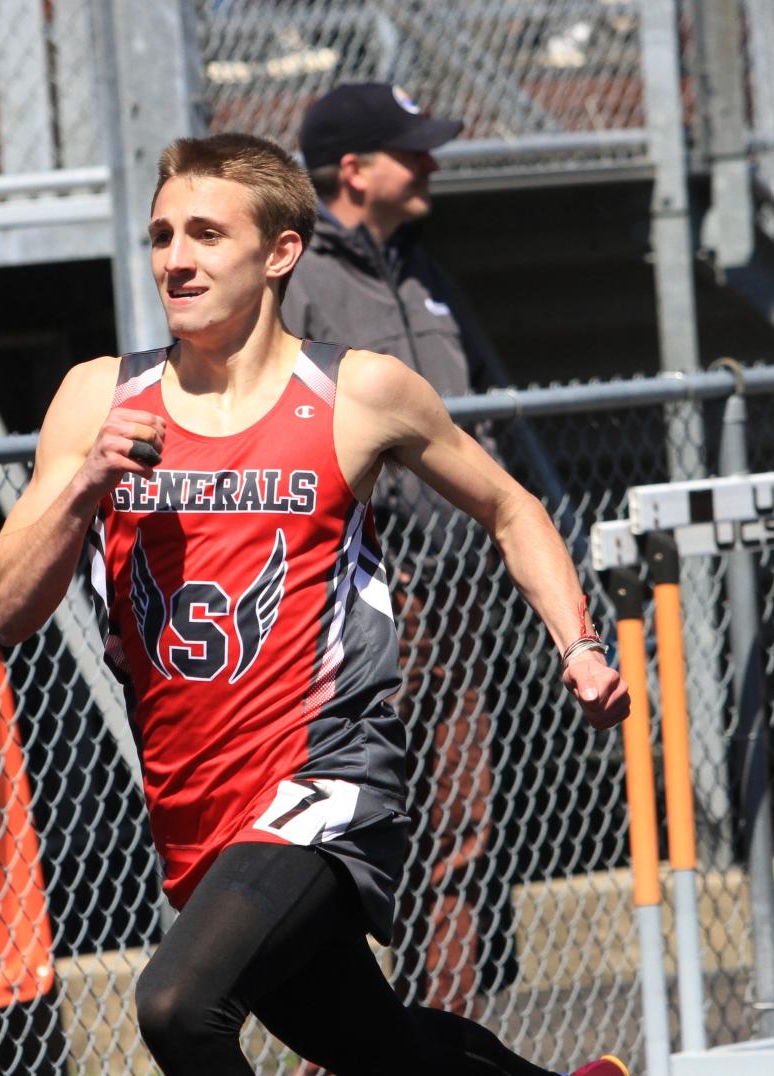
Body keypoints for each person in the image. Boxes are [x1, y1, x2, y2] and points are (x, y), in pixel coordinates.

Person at [0, 132, 631, 1076]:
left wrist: (577, 643)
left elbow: (510, 507)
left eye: (207, 233)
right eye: (162, 235)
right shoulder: (99, 398)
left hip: (327, 779)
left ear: (281, 251)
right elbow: (4, 610)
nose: (177, 258)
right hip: (195, 800)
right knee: (382, 1051)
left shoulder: (354, 391)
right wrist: (86, 485)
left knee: (177, 1008)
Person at [280, 81, 506, 1018]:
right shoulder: (302, 283)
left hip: (451, 597)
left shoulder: (426, 274)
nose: (431, 166)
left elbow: (478, 424)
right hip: (357, 605)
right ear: (353, 170)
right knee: (344, 843)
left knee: (459, 833)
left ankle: (442, 1043)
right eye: (411, 151)